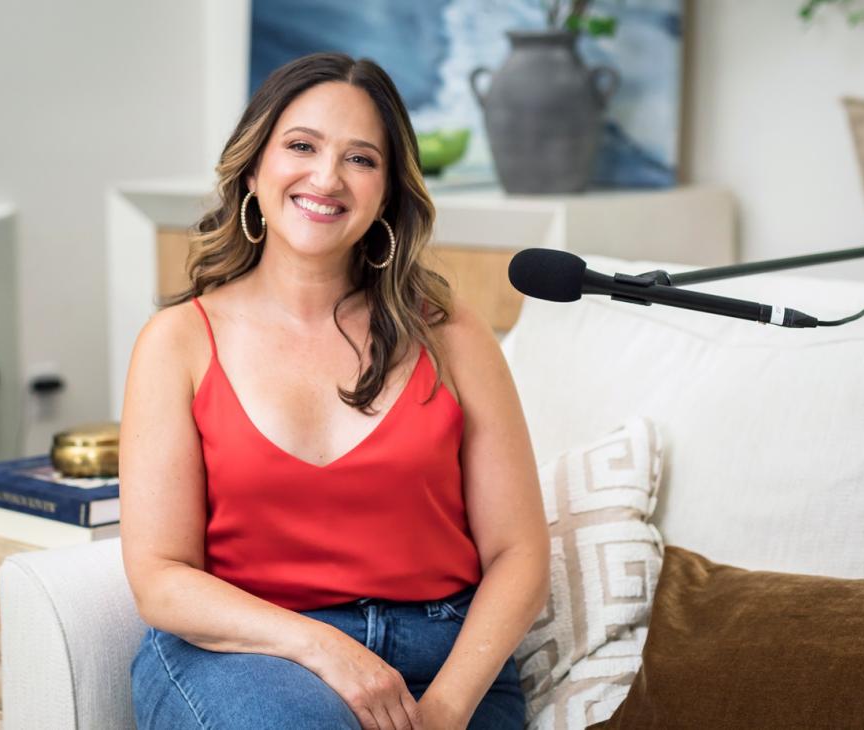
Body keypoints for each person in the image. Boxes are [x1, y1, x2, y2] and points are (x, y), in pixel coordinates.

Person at [121, 52, 549, 730]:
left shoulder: (454, 333)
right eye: (301, 146)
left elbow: (520, 554)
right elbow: (160, 578)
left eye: (361, 159)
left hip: (444, 659)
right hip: (252, 653)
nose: (327, 177)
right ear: (254, 166)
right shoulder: (178, 342)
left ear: (387, 193)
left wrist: (443, 709)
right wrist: (326, 648)